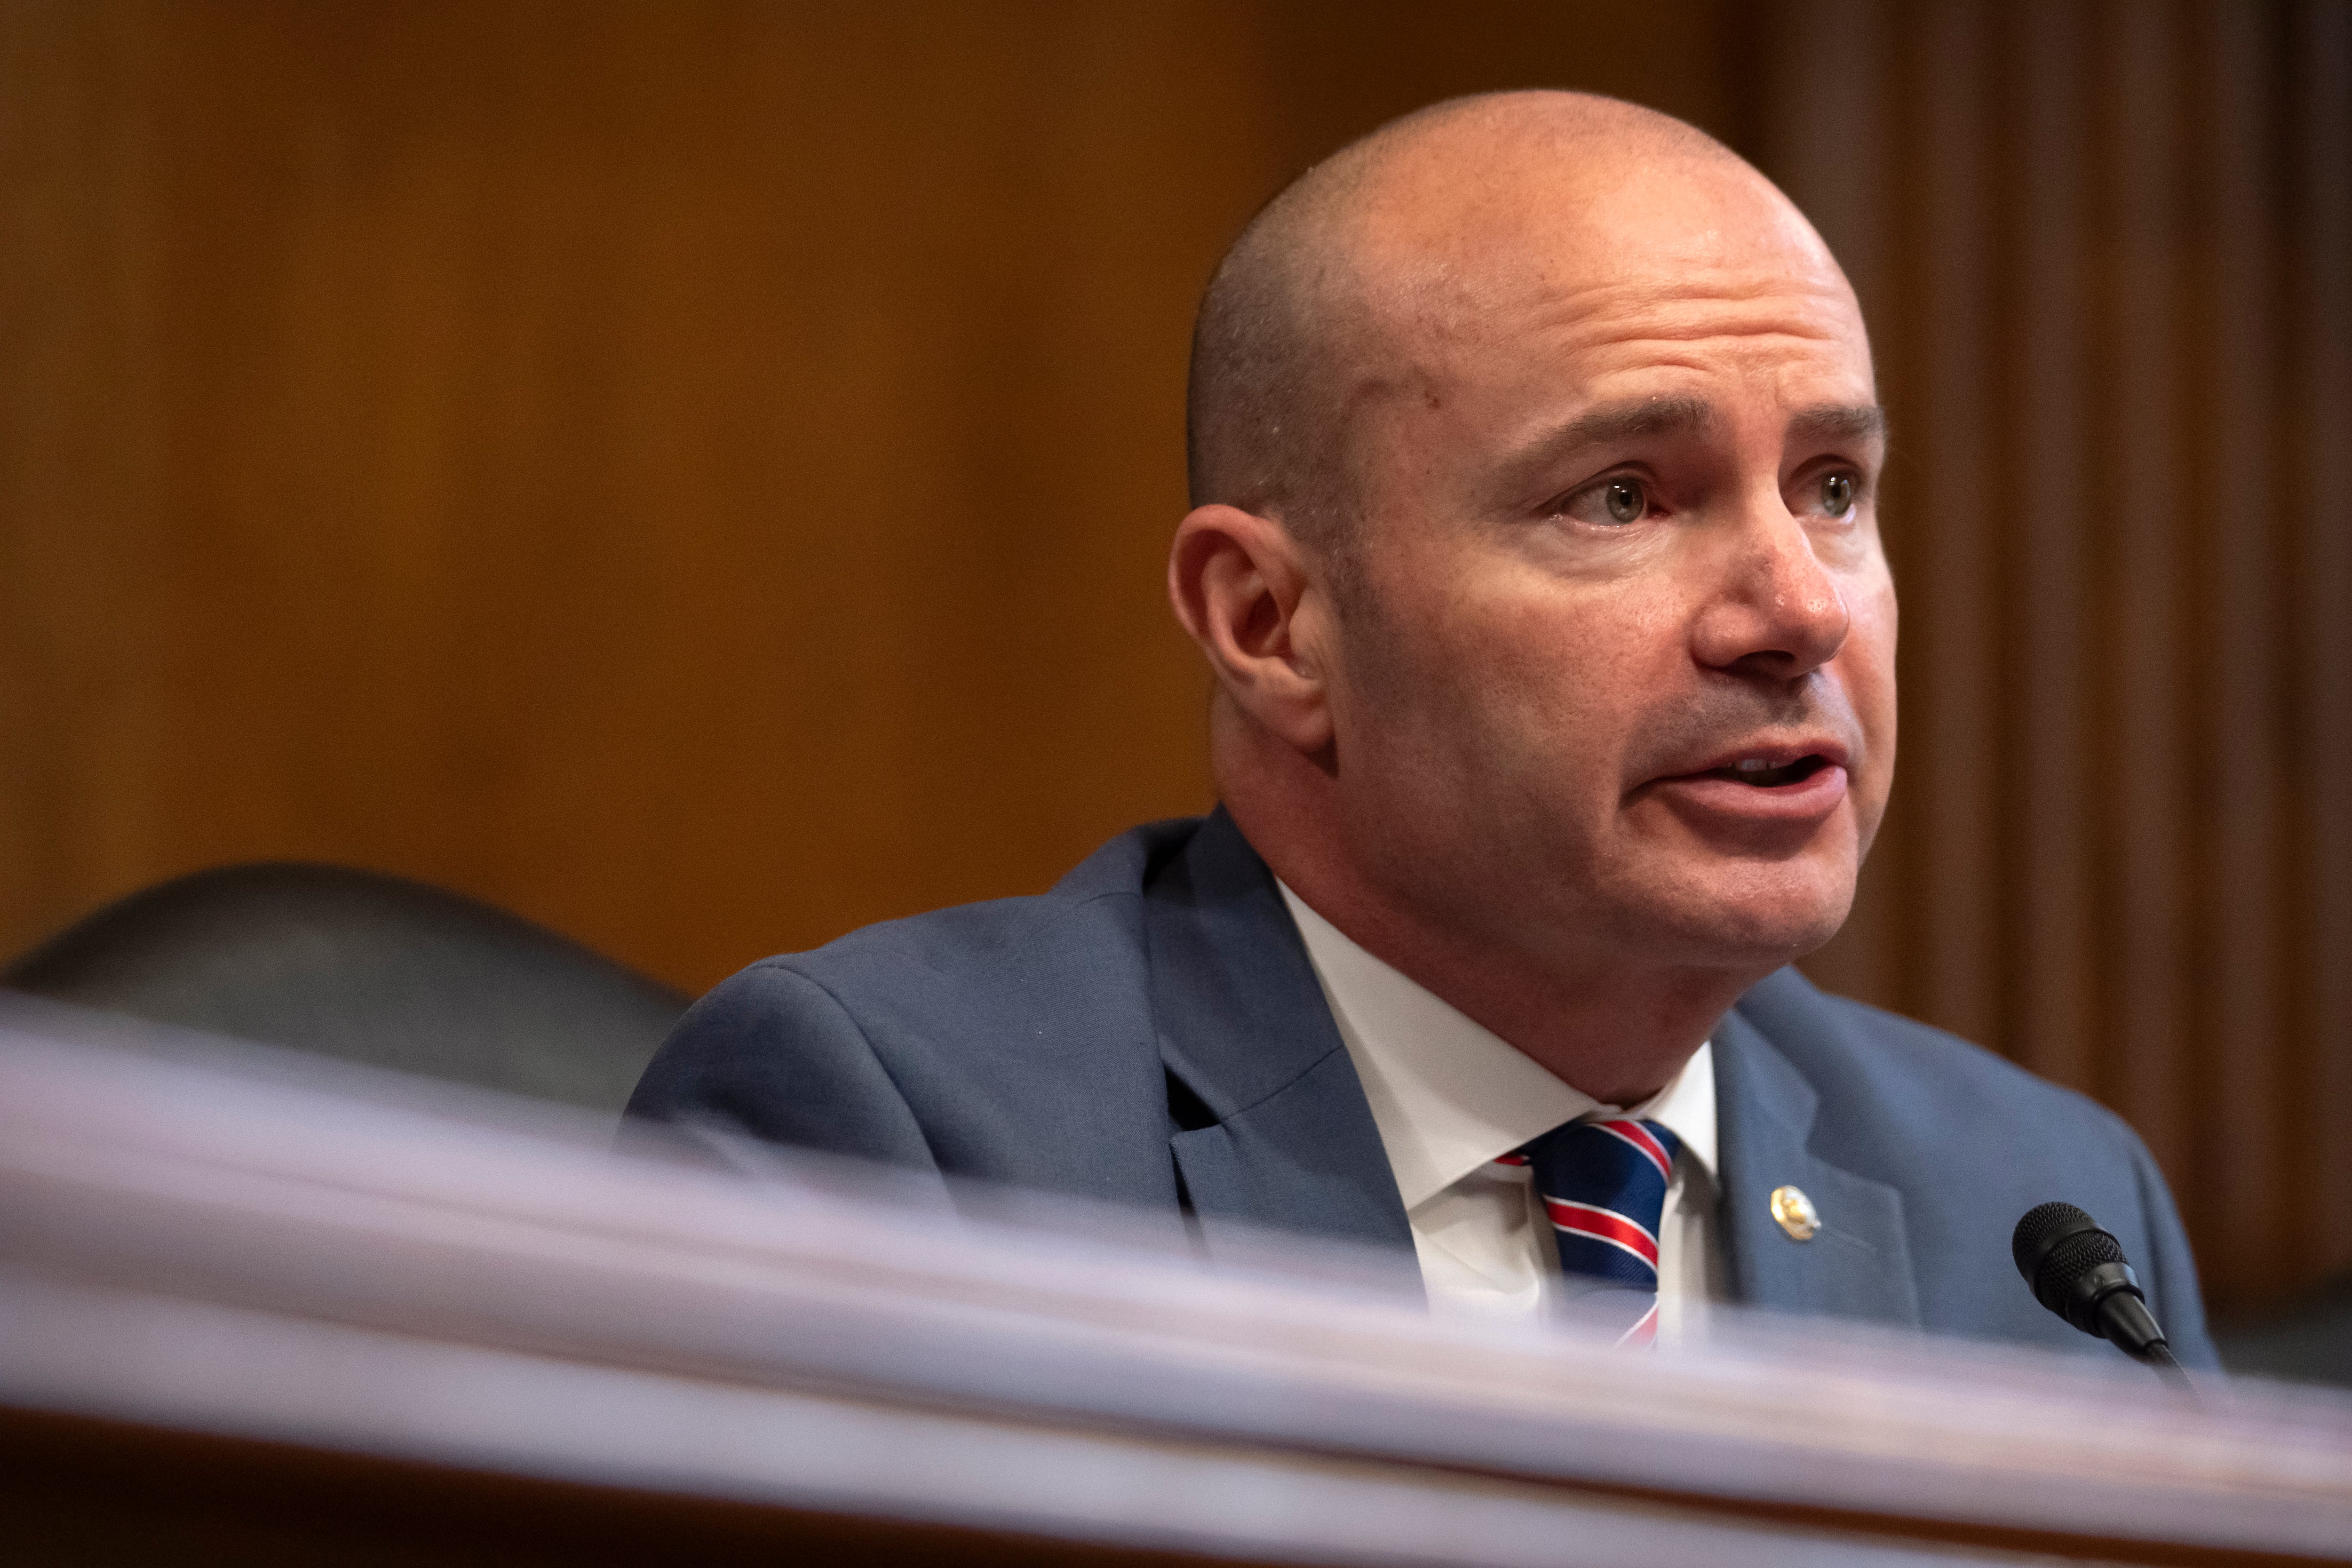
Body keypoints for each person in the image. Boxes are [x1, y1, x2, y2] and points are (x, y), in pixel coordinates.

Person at [628, 91, 2213, 1364]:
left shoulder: (2044, 1212)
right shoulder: (910, 1149)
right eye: (1622, 498)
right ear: (1272, 626)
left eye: (1833, 488)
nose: (1798, 611)